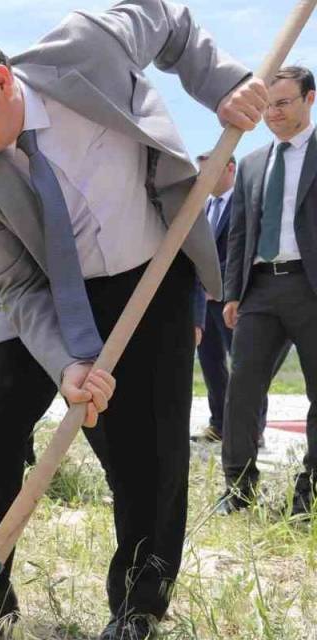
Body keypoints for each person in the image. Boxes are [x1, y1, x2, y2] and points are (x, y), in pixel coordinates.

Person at [0, 2, 266, 637]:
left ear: (0, 78)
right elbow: (16, 283)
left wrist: (224, 83)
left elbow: (169, 18)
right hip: (45, 289)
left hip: (147, 269)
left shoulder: (85, 48)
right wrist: (69, 362)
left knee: (147, 456)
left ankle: (138, 605)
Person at [219, 66, 317, 519]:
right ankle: (238, 490)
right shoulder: (254, 162)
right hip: (259, 290)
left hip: (310, 288)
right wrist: (233, 292)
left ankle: (308, 496)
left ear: (309, 100)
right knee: (241, 390)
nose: (273, 113)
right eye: (268, 105)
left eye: (283, 103)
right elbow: (239, 231)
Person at [191, 152, 279, 445]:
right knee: (211, 364)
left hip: (234, 300)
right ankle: (219, 425)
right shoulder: (202, 207)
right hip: (204, 303)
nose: (202, 177)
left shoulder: (248, 205)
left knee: (245, 366)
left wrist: (220, 285)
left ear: (230, 168)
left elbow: (244, 253)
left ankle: (254, 430)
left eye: (209, 170)